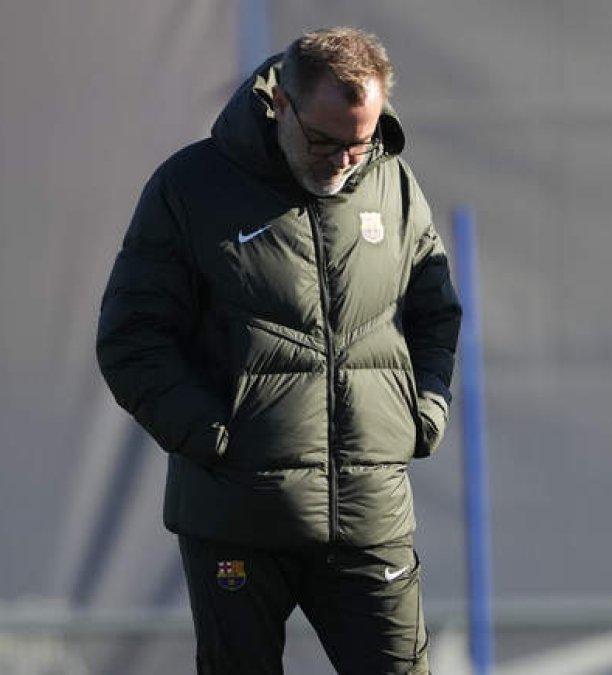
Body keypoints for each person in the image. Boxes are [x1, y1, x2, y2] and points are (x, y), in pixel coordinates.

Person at [96, 27, 460, 674]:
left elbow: (436, 308)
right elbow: (131, 337)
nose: (346, 159)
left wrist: (423, 410)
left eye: (361, 140)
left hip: (369, 514)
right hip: (237, 518)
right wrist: (215, 436)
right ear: (282, 104)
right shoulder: (191, 188)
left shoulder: (394, 185)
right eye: (325, 140)